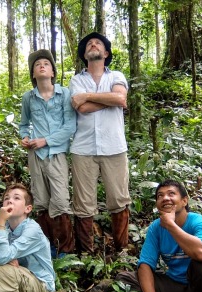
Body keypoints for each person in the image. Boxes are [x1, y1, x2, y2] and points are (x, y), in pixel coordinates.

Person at [68, 32, 131, 253]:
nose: (93, 45)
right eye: (89, 44)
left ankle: (121, 250)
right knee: (83, 204)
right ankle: (86, 253)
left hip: (114, 147)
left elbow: (121, 99)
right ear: (84, 55)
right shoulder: (77, 80)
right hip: (83, 149)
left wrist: (88, 96)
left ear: (105, 53)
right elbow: (81, 108)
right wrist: (109, 99)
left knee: (119, 199)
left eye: (98, 43)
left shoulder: (116, 75)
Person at [20, 49, 76, 256]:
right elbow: (24, 124)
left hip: (56, 154)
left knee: (60, 200)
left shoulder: (64, 94)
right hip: (35, 156)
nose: (42, 66)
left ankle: (66, 250)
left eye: (46, 63)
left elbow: (70, 126)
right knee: (41, 200)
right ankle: (48, 246)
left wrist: (46, 140)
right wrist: (24, 137)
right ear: (33, 74)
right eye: (37, 65)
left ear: (52, 71)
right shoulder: (29, 98)